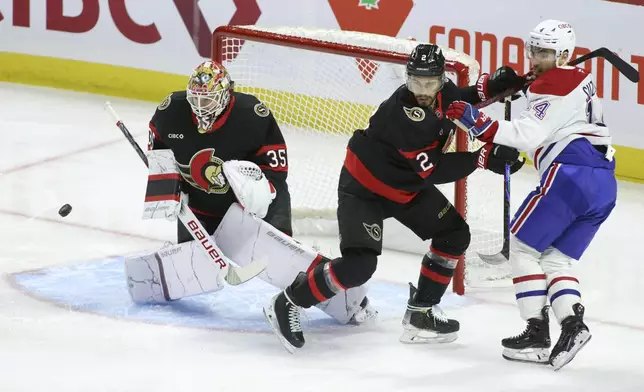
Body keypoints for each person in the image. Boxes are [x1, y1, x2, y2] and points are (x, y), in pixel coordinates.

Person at [263, 43, 526, 353]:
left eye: (429, 83)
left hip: (404, 186)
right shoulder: (401, 116)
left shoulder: (443, 92)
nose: (422, 90)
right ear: (407, 79)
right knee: (359, 266)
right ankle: (289, 301)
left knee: (454, 234)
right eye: (415, 82)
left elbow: (461, 99)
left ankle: (420, 314)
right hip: (364, 190)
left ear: (441, 79)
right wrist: (482, 158)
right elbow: (435, 170)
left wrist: (492, 89)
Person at [446, 20, 616, 370]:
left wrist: (476, 120)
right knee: (554, 259)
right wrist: (528, 85)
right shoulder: (576, 78)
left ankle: (537, 335)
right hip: (604, 185)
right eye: (534, 49)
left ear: (565, 55)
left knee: (522, 247)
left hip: (570, 175)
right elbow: (552, 111)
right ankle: (572, 324)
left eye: (545, 52)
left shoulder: (553, 81)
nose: (536, 57)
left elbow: (527, 135)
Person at [147, 60, 292, 241]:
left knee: (272, 259)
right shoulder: (171, 111)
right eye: (195, 98)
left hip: (248, 210)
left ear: (225, 95)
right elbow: (158, 150)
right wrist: (169, 186)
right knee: (195, 265)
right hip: (197, 207)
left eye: (207, 100)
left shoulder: (251, 115)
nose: (200, 106)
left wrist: (261, 194)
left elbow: (276, 166)